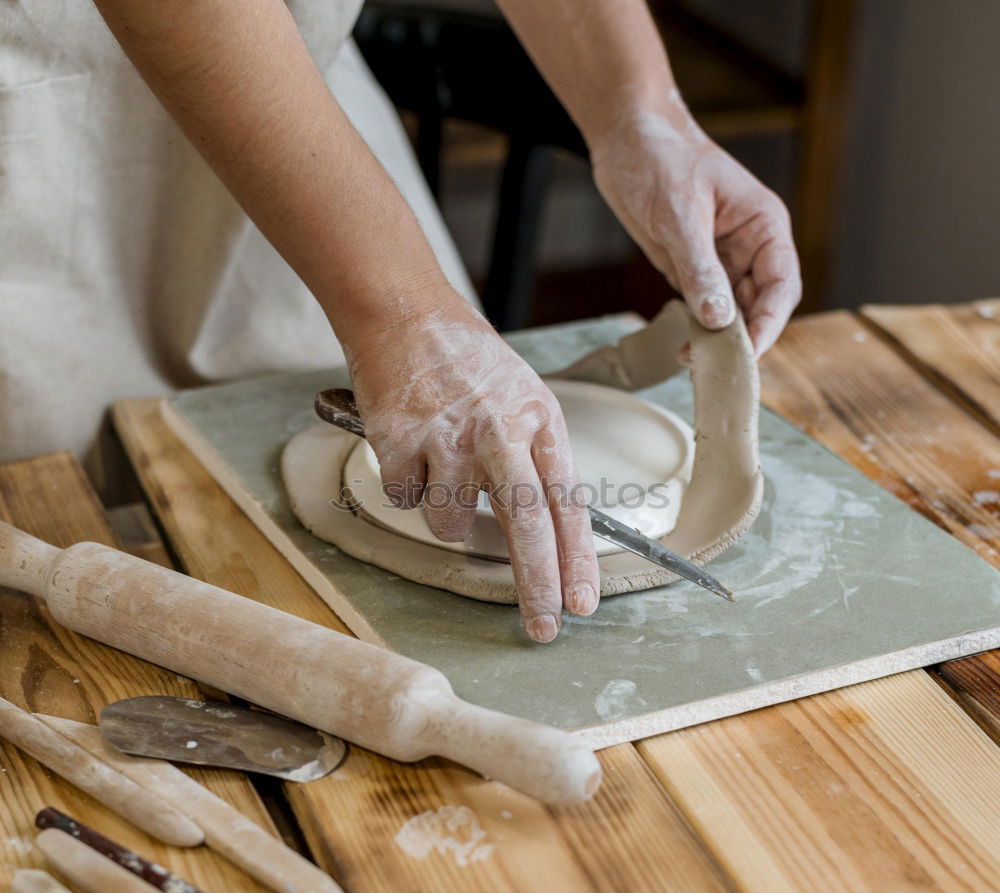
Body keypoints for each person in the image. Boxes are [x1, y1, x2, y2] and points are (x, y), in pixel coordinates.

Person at [0, 0, 800, 642]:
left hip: (301, 122)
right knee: (73, 559)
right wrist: (401, 310)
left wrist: (639, 114)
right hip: (37, 140)